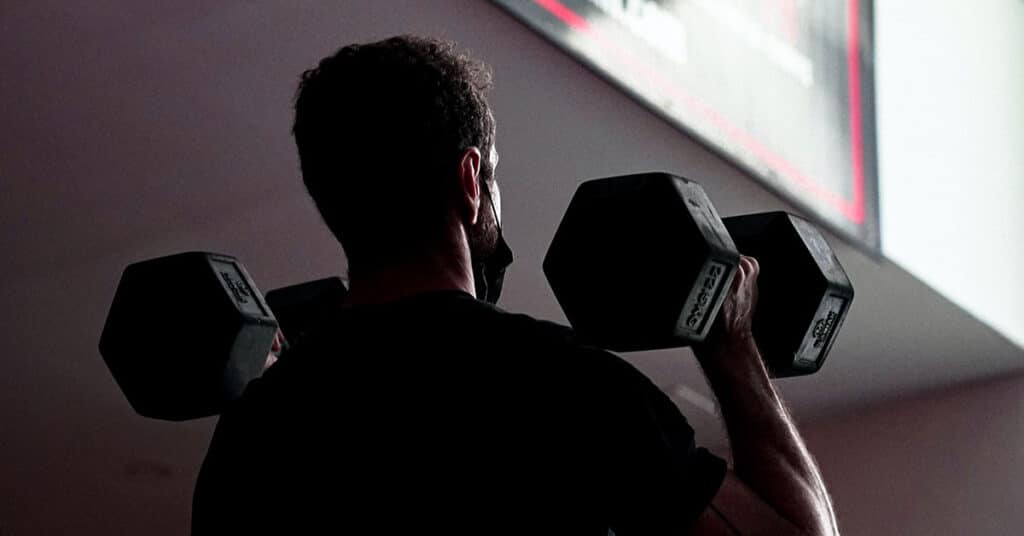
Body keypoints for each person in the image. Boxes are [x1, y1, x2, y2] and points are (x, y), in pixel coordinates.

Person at [191, 35, 837, 535]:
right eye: (493, 177)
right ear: (471, 182)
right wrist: (731, 342)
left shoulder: (250, 435)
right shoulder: (567, 386)